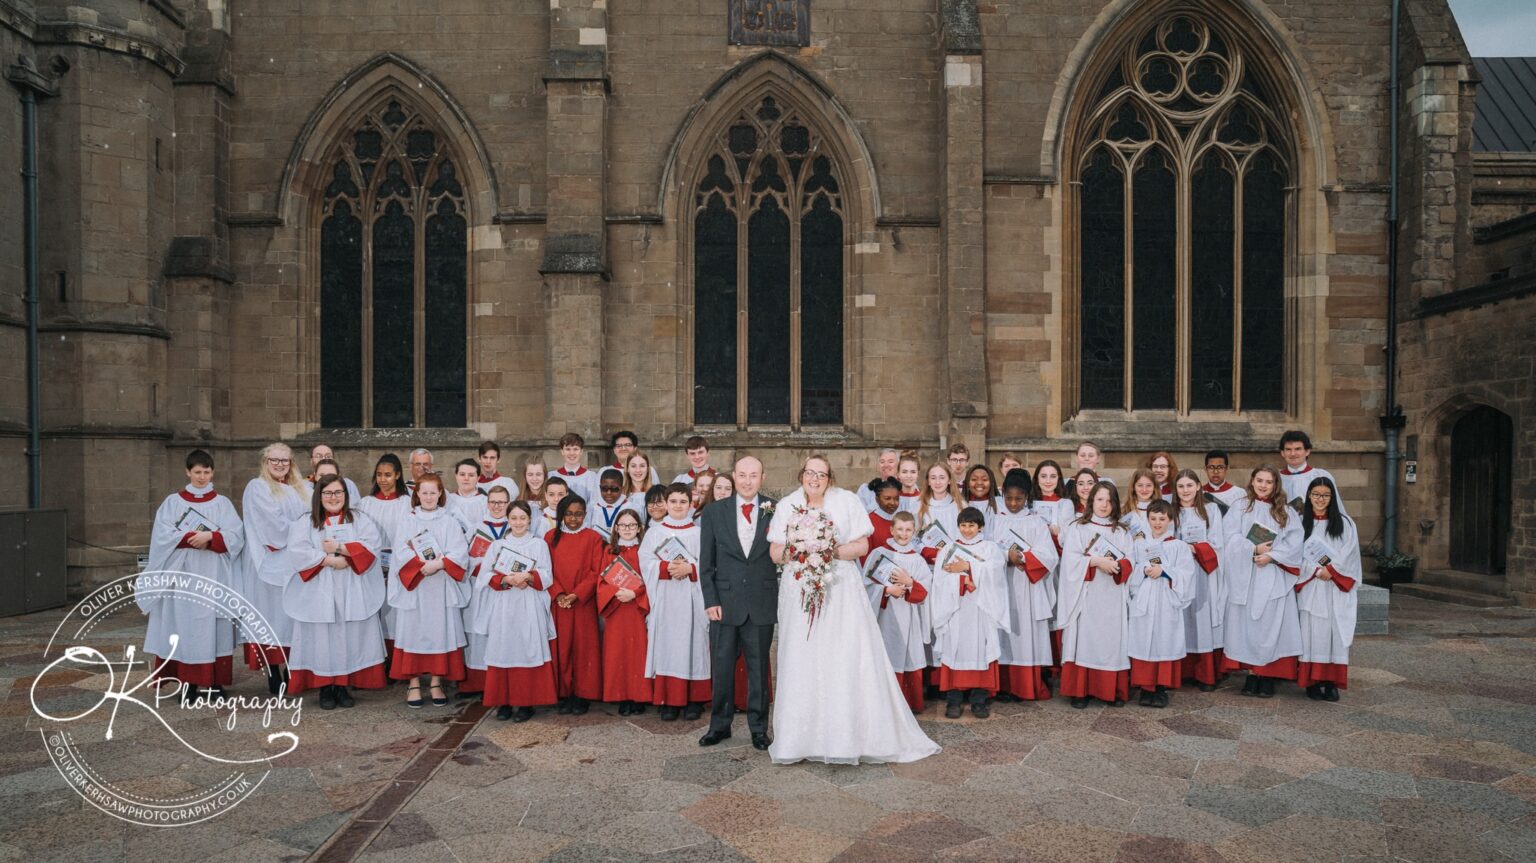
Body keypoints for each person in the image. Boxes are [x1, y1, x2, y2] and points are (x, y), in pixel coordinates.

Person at [767, 455, 940, 763]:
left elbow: (862, 545)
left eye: (821, 474)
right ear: (801, 474)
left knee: (843, 652)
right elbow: (775, 552)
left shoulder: (846, 501)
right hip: (800, 589)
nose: (815, 479)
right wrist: (803, 550)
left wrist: (828, 550)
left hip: (840, 589)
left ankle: (849, 736)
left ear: (830, 477)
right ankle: (800, 739)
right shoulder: (787, 505)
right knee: (803, 654)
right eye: (810, 473)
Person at [136, 449, 245, 702]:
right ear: (187, 472)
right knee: (183, 626)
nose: (202, 477)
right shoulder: (173, 502)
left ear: (213, 473)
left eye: (206, 472)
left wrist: (211, 537)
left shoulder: (222, 503)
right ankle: (188, 684)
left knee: (215, 627)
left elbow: (236, 536)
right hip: (182, 575)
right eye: (197, 472)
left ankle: (215, 683)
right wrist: (189, 537)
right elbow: (161, 536)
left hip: (214, 573)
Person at [283, 475, 388, 708]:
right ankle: (325, 687)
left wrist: (344, 553)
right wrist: (328, 560)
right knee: (321, 637)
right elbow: (297, 551)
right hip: (319, 588)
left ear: (345, 495)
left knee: (346, 635)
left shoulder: (358, 518)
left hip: (350, 587)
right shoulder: (306, 521)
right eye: (328, 493)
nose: (333, 497)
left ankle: (342, 686)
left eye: (338, 492)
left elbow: (372, 545)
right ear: (319, 496)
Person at [698, 456, 777, 750]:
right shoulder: (714, 512)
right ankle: (719, 725)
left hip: (760, 601)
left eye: (753, 475)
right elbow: (706, 561)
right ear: (734, 476)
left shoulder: (775, 509)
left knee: (758, 670)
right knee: (722, 668)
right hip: (724, 601)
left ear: (762, 478)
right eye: (742, 475)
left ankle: (758, 728)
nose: (747, 481)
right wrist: (711, 599)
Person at [1221, 465, 1304, 698]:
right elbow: (1229, 538)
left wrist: (1272, 556)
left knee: (1269, 624)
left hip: (1272, 573)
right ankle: (1251, 674)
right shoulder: (1240, 506)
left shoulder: (1286, 511)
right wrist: (1252, 548)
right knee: (1247, 625)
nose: (1263, 485)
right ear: (1252, 481)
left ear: (1276, 485)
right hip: (1246, 574)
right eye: (1259, 480)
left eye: (1269, 482)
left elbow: (1294, 543)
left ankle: (1267, 676)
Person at [389, 473, 470, 708]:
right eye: (423, 492)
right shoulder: (408, 520)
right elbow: (400, 551)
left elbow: (459, 551)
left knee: (439, 632)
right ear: (416, 494)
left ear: (440, 494)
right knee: (413, 631)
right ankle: (413, 683)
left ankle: (436, 682)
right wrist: (420, 566)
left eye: (432, 492)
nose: (428, 497)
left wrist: (440, 564)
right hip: (416, 585)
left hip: (440, 585)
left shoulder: (449, 521)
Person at [473, 500, 558, 722]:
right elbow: (484, 576)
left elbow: (547, 574)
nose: (518, 522)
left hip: (529, 603)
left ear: (530, 519)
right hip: (504, 604)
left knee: (526, 648)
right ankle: (503, 702)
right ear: (507, 520)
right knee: (504, 647)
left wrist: (529, 576)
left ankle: (526, 702)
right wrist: (505, 579)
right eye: (514, 518)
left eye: (522, 518)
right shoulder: (497, 545)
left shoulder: (539, 545)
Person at [1058, 481, 1133, 709]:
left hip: (1112, 594)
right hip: (1086, 595)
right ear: (1091, 501)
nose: (1104, 505)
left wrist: (1118, 565)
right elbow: (1070, 561)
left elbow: (1131, 560)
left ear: (1116, 504)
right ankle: (1080, 691)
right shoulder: (1078, 528)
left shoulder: (1122, 531)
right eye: (1100, 499)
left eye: (1109, 500)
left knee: (1111, 642)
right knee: (1084, 640)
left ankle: (1111, 690)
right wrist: (1095, 561)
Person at [639, 483, 711, 721]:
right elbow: (645, 561)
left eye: (683, 501)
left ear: (691, 504)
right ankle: (669, 700)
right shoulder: (655, 532)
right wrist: (665, 567)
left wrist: (691, 568)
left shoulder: (699, 533)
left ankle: (694, 700)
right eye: (673, 501)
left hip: (692, 598)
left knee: (694, 643)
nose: (678, 506)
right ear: (666, 504)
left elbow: (710, 563)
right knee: (668, 645)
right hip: (666, 596)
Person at [240, 443, 307, 695]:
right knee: (271, 616)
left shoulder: (302, 489)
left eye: (285, 460)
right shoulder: (257, 487)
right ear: (265, 462)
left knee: (292, 616)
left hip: (295, 562)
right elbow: (274, 526)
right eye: (274, 460)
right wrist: (304, 532)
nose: (280, 465)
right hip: (268, 561)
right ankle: (272, 670)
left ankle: (291, 667)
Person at [988, 470, 1058, 702]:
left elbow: (1049, 556)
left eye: (1019, 498)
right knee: (1003, 633)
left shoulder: (1036, 521)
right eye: (1009, 498)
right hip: (1001, 584)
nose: (1013, 503)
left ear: (1027, 496)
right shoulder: (994, 520)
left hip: (1027, 585)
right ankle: (1002, 686)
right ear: (1002, 495)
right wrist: (1005, 556)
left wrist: (1024, 558)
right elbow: (985, 550)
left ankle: (1024, 687)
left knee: (1025, 635)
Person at [1297, 477, 1359, 702]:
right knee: (1311, 634)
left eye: (1325, 495)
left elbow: (1350, 554)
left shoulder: (1345, 523)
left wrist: (1331, 570)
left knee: (1333, 634)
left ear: (1332, 497)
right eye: (1316, 494)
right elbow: (1293, 553)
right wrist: (1314, 570)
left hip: (1334, 587)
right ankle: (1312, 682)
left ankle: (1331, 683)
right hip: (1311, 586)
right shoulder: (1300, 522)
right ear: (1309, 496)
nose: (1320, 499)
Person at [1127, 500, 1195, 708]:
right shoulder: (1140, 545)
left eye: (1162, 519)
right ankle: (1145, 688)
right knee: (1143, 640)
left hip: (1167, 600)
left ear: (1170, 520)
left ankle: (1161, 689)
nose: (1157, 523)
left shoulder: (1179, 546)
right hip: (1145, 599)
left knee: (1164, 640)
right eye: (1153, 518)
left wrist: (1164, 571)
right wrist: (1143, 570)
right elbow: (1132, 570)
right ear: (1147, 520)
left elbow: (1186, 574)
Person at [867, 511, 933, 712]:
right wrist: (886, 590)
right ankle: (885, 705)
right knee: (886, 653)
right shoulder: (879, 553)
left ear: (914, 532)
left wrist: (909, 582)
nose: (904, 534)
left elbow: (926, 590)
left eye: (908, 530)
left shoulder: (917, 559)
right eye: (900, 529)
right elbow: (864, 585)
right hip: (885, 616)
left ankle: (909, 703)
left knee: (908, 652)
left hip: (910, 615)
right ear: (891, 529)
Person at [546, 494, 604, 714]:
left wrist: (576, 594)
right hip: (559, 603)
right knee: (562, 648)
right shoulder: (550, 537)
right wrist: (559, 593)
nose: (573, 519)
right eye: (569, 514)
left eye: (578, 514)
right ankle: (565, 692)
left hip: (582, 603)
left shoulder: (593, 537)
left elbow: (596, 571)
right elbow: (546, 569)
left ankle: (582, 694)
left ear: (585, 515)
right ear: (561, 515)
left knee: (583, 649)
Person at [1173, 469, 1226, 691]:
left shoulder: (1211, 510)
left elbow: (1217, 542)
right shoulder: (1172, 511)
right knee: (1182, 617)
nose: (1185, 490)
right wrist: (1180, 550)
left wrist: (1194, 549)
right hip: (1180, 572)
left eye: (1189, 485)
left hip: (1203, 569)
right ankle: (1183, 672)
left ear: (1197, 486)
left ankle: (1205, 674)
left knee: (1202, 616)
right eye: (1181, 486)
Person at [355, 454, 410, 661]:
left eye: (388, 475)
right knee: (375, 609)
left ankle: (397, 661)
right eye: (379, 474)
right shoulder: (365, 503)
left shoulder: (407, 503)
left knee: (396, 612)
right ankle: (376, 659)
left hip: (400, 564)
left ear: (397, 475)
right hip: (373, 564)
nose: (382, 479)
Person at [460, 486, 513, 699]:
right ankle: (476, 683)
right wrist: (482, 565)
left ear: (508, 503)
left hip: (506, 589)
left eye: (501, 502)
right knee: (478, 632)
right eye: (493, 502)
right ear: (487, 503)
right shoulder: (476, 528)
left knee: (503, 632)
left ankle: (501, 683)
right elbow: (463, 557)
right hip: (481, 588)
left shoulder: (515, 525)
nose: (497, 506)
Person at [597, 509, 651, 715]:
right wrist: (615, 593)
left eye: (632, 525)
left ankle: (639, 696)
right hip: (617, 607)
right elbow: (601, 580)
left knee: (638, 652)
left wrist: (635, 594)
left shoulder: (644, 551)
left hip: (637, 609)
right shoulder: (609, 552)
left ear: (639, 528)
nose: (627, 529)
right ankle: (621, 696)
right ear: (616, 528)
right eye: (623, 525)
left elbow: (651, 580)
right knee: (617, 652)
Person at [1279, 430, 1348, 515]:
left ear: (1307, 451)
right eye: (1288, 449)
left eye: (1298, 449)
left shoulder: (1321, 476)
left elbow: (1336, 507)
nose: (1293, 454)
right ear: (1282, 453)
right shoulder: (1275, 479)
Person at [917, 463, 960, 563]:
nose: (937, 482)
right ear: (928, 481)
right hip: (928, 562)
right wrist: (929, 552)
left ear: (949, 480)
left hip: (954, 561)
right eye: (933, 478)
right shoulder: (918, 506)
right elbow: (911, 538)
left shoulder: (960, 506)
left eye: (942, 477)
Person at [447, 459, 489, 536]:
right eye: (462, 474)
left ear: (478, 478)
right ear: (456, 476)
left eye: (471, 475)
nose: (466, 478)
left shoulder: (486, 501)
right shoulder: (447, 500)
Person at [554, 432, 598, 505]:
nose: (572, 453)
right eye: (568, 449)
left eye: (575, 449)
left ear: (581, 451)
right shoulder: (552, 475)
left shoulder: (591, 477)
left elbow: (593, 504)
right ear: (562, 452)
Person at [865, 477, 902, 561]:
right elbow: (864, 555)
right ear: (877, 499)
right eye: (887, 498)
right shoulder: (868, 522)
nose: (892, 503)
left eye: (896, 499)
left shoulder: (901, 520)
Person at [586, 468, 628, 535]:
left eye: (614, 489)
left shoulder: (630, 507)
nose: (609, 493)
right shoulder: (593, 508)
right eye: (604, 488)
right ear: (600, 487)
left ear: (622, 489)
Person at [622, 451, 657, 519]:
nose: (638, 470)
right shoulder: (620, 493)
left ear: (647, 469)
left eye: (642, 466)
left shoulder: (656, 492)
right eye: (633, 466)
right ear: (627, 469)